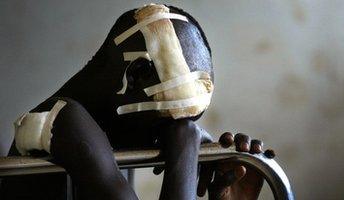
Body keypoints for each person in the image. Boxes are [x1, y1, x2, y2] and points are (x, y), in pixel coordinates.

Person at [0, 3, 269, 200]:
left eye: (184, 124)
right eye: (166, 125)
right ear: (136, 75)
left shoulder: (107, 138)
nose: (165, 137)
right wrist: (184, 148)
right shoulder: (63, 120)